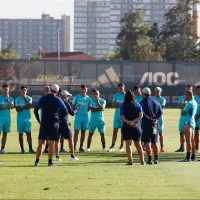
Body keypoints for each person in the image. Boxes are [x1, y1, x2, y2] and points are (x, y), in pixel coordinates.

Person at [34, 84, 68, 167]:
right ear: (57, 91)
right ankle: (50, 162)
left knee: (41, 143)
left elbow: (35, 110)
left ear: (50, 90)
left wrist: (39, 120)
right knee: (51, 143)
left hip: (44, 122)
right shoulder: (58, 99)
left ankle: (37, 161)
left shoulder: (43, 98)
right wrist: (60, 119)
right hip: (53, 123)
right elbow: (65, 110)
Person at [120, 90, 145, 165]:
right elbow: (141, 116)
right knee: (138, 145)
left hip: (126, 126)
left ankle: (130, 161)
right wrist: (133, 122)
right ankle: (142, 161)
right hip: (136, 126)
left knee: (128, 144)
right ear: (133, 97)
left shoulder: (123, 105)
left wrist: (129, 123)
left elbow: (122, 117)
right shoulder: (137, 104)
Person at [140, 87, 162, 164]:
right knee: (154, 142)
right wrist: (156, 119)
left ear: (143, 94)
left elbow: (142, 114)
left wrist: (150, 120)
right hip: (155, 125)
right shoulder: (156, 102)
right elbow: (160, 113)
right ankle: (156, 159)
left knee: (147, 142)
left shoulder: (142, 103)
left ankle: (149, 160)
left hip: (146, 125)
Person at [59, 90, 79, 161]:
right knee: (70, 139)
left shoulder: (56, 101)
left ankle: (57, 157)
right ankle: (72, 156)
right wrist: (78, 108)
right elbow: (72, 113)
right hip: (64, 122)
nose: (68, 97)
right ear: (64, 96)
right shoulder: (65, 102)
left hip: (56, 122)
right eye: (67, 96)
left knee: (56, 140)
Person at [15, 86, 35, 154]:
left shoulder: (29, 98)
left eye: (25, 90)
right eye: (23, 90)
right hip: (20, 120)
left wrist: (24, 99)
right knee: (20, 134)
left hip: (27, 120)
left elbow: (29, 107)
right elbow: (17, 109)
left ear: (26, 91)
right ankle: (22, 149)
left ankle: (30, 149)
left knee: (28, 134)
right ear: (20, 91)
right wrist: (25, 107)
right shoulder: (17, 99)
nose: (24, 91)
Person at [72, 85, 92, 152]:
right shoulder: (77, 97)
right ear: (81, 90)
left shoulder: (88, 99)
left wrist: (84, 112)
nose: (84, 90)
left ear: (87, 90)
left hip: (85, 117)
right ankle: (74, 147)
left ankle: (81, 147)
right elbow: (73, 106)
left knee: (83, 132)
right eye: (82, 89)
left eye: (85, 89)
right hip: (78, 117)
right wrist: (77, 109)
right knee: (76, 132)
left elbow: (89, 108)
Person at [180, 90, 197, 162]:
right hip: (192, 122)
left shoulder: (189, 103)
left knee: (188, 140)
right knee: (192, 140)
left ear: (188, 95)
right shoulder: (195, 102)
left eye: (186, 95)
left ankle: (188, 157)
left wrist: (184, 105)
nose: (185, 97)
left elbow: (183, 113)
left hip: (188, 123)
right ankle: (193, 156)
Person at [108, 83, 126, 152]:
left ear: (124, 87)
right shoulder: (116, 95)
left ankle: (121, 146)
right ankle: (112, 145)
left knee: (123, 132)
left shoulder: (126, 95)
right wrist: (121, 105)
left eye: (121, 87)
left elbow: (126, 105)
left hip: (124, 116)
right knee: (115, 131)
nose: (120, 89)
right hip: (116, 116)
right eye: (119, 88)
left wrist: (118, 104)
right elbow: (113, 105)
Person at [175, 85, 193, 152]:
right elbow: (178, 106)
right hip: (182, 118)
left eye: (189, 90)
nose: (188, 91)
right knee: (181, 132)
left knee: (190, 135)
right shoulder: (182, 97)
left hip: (189, 118)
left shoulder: (193, 99)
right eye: (187, 90)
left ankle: (191, 149)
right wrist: (183, 106)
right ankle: (182, 147)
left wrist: (184, 106)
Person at [0, 84, 14, 154]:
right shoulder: (0, 97)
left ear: (9, 90)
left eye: (7, 89)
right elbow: (0, 107)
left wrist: (7, 99)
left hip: (7, 119)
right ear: (2, 89)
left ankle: (2, 149)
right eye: (5, 89)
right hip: (0, 118)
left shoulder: (11, 98)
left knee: (5, 134)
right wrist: (6, 107)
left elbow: (11, 107)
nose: (6, 90)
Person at [153, 87, 166, 152]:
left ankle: (162, 147)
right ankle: (154, 147)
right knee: (154, 133)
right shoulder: (152, 99)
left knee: (160, 133)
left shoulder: (163, 99)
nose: (157, 92)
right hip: (154, 119)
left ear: (161, 91)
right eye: (156, 91)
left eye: (158, 91)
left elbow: (161, 108)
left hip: (160, 119)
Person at [43, 86, 51, 153]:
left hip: (51, 120)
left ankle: (47, 147)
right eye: (46, 90)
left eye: (48, 90)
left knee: (49, 135)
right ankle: (44, 148)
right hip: (44, 119)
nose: (47, 91)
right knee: (44, 135)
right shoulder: (42, 99)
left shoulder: (52, 98)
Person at [194, 85, 200, 153]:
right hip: (196, 119)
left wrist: (198, 116)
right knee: (196, 133)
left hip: (197, 117)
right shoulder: (195, 98)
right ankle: (196, 147)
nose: (199, 91)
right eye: (197, 90)